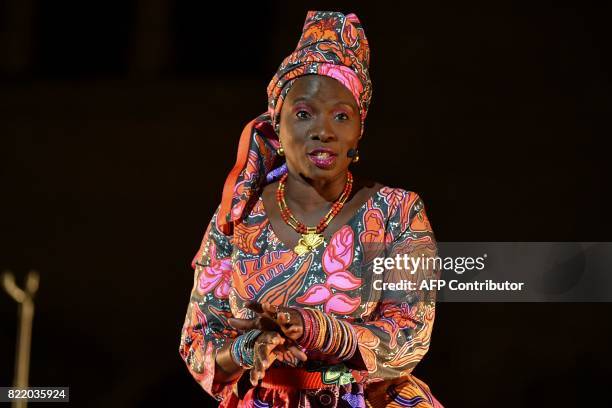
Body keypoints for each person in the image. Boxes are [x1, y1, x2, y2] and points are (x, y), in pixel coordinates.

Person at [179, 10, 443, 408]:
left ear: (359, 131)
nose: (324, 130)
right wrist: (251, 347)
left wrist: (312, 328)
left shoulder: (397, 213)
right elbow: (198, 341)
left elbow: (410, 334)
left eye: (342, 116)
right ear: (276, 125)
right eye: (304, 114)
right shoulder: (237, 217)